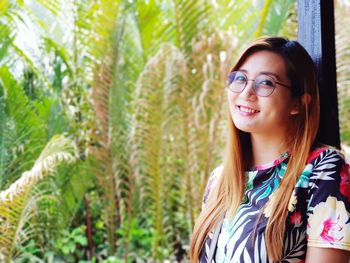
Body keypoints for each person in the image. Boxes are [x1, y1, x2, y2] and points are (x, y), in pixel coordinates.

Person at [189, 37, 350, 263]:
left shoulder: (322, 170)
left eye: (265, 83)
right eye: (240, 78)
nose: (246, 92)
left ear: (298, 104)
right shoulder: (219, 180)